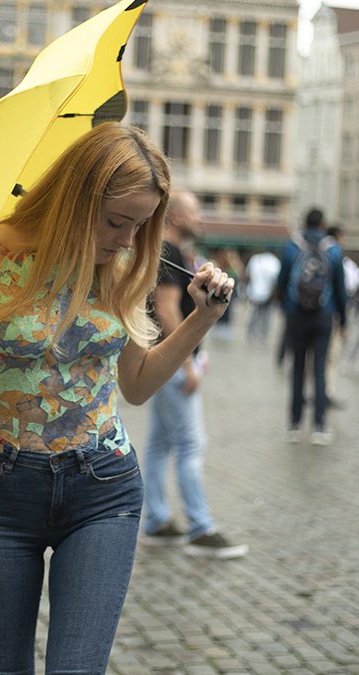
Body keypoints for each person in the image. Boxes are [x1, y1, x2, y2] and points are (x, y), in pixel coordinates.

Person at [0, 123, 235, 673]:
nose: (128, 238)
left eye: (140, 225)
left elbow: (136, 384)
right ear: (76, 197)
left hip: (104, 493)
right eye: (118, 221)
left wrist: (200, 320)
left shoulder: (121, 267)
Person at [142, 192, 247, 559]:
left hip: (171, 361)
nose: (199, 219)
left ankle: (156, 520)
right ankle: (200, 528)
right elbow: (166, 309)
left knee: (159, 444)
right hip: (173, 364)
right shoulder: (167, 252)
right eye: (194, 212)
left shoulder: (172, 252)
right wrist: (187, 362)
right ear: (174, 216)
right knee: (189, 445)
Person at [276, 208, 347, 445]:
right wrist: (343, 321)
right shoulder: (334, 250)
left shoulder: (292, 247)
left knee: (297, 369)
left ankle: (294, 424)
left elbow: (282, 282)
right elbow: (340, 290)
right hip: (323, 316)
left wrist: (286, 310)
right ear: (323, 224)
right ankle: (319, 425)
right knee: (319, 370)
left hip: (296, 316)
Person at [245, 247, 281, 344]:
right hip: (268, 293)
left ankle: (250, 334)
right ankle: (262, 336)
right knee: (266, 316)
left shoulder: (255, 259)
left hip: (253, 291)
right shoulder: (275, 262)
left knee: (253, 313)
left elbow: (247, 275)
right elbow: (276, 281)